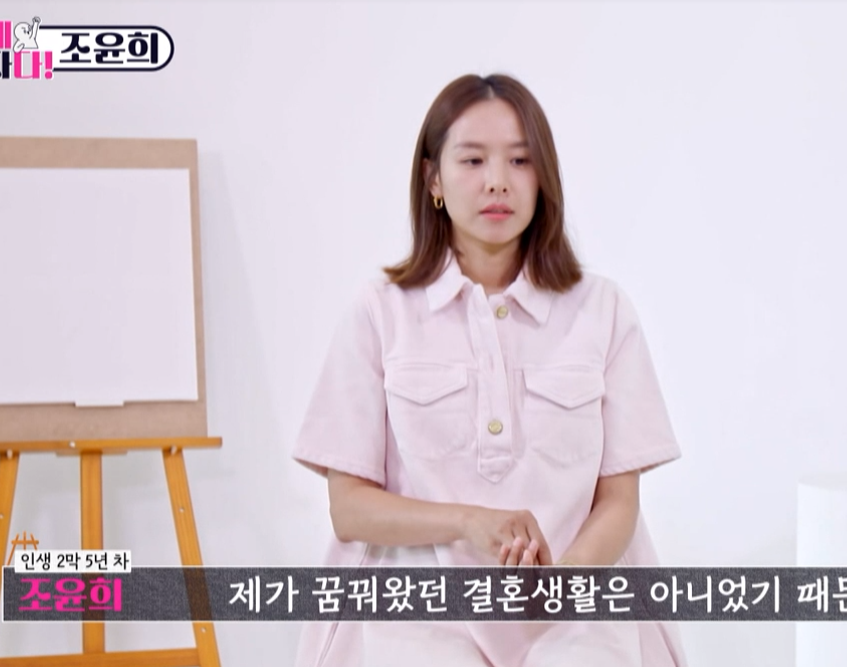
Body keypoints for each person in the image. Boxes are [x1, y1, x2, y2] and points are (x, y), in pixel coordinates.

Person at [291, 73, 687, 667]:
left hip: (574, 610)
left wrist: (566, 580)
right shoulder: (379, 310)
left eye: (520, 161)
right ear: (433, 179)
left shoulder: (602, 308)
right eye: (473, 160)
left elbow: (619, 501)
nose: (498, 180)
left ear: (543, 178)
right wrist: (470, 522)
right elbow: (350, 510)